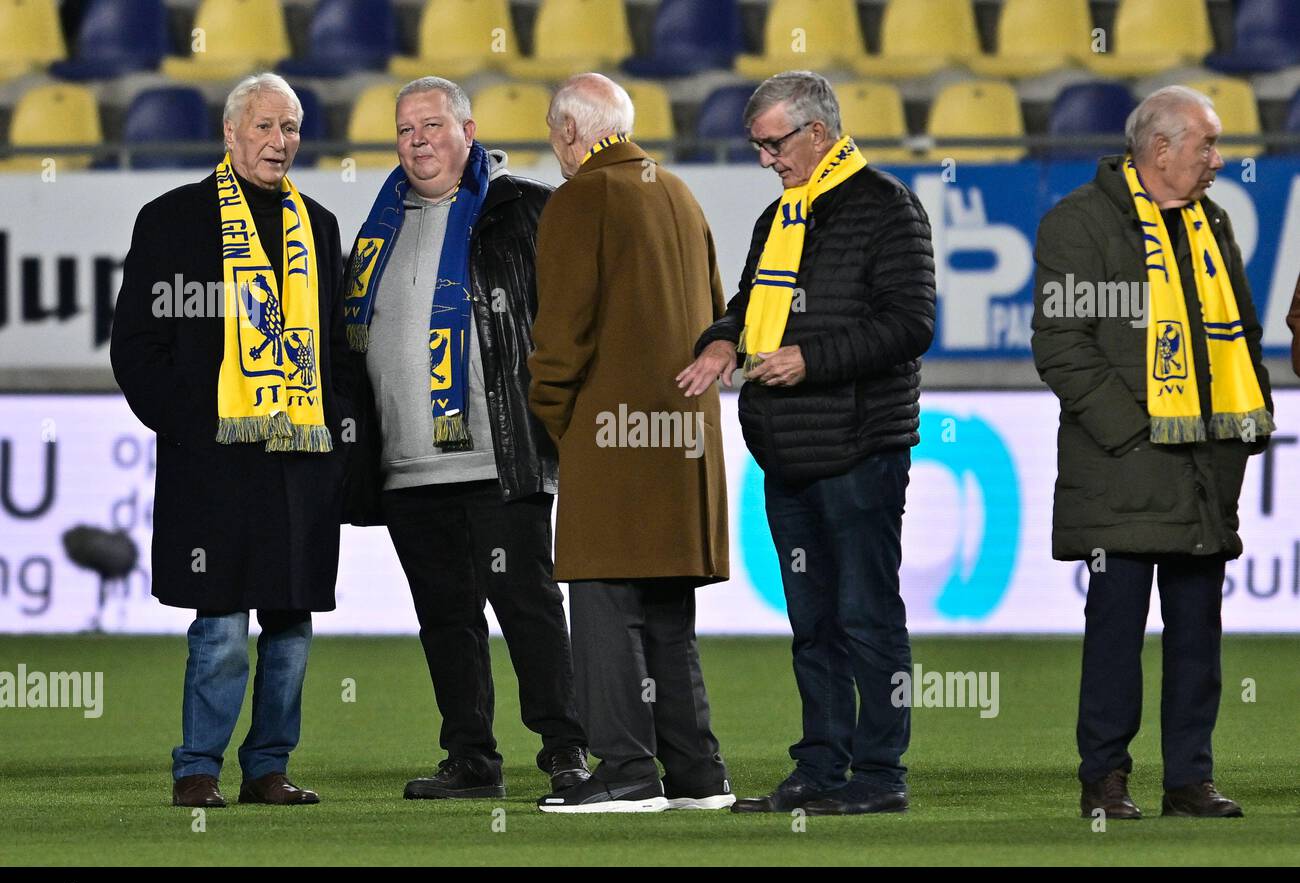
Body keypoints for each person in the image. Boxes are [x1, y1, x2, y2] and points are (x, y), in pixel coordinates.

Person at [679, 71, 935, 816]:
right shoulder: (780, 217)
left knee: (866, 616)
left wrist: (812, 359)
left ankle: (880, 773)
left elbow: (911, 323)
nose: (766, 159)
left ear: (816, 134)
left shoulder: (889, 209)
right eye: (758, 145)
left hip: (859, 451)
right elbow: (747, 305)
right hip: (786, 454)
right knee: (814, 623)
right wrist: (724, 343)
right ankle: (822, 766)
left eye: (772, 143)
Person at [341, 77, 589, 800]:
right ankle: (472, 758)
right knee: (445, 619)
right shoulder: (375, 227)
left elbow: (569, 323)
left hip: (497, 457)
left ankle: (567, 749)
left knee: (528, 607)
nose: (418, 140)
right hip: (408, 467)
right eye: (405, 129)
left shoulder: (524, 211)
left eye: (432, 125)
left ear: (468, 130)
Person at [1030, 86, 1274, 819]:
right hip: (1121, 471)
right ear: (1159, 149)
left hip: (1205, 466)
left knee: (1198, 634)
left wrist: (1251, 413)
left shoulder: (1213, 220)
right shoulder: (1079, 224)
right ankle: (1104, 777)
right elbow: (1061, 346)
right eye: (1207, 144)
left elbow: (1244, 334)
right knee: (1115, 632)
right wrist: (1135, 434)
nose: (1218, 160)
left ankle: (1189, 780)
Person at [111, 73, 351, 808]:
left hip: (297, 462)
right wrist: (195, 429)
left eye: (291, 129)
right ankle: (197, 770)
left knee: (290, 623)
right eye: (265, 127)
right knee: (218, 623)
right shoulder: (172, 220)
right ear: (230, 132)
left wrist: (337, 441)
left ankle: (270, 768)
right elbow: (136, 349)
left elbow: (338, 356)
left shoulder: (321, 225)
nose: (279, 142)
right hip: (212, 464)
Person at [527, 73, 732, 813]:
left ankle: (625, 771)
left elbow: (561, 334)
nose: (557, 152)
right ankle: (697, 773)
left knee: (606, 603)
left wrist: (555, 418)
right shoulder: (679, 194)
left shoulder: (582, 197)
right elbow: (715, 314)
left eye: (556, 138)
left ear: (573, 134)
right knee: (669, 614)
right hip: (684, 444)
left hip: (612, 444)